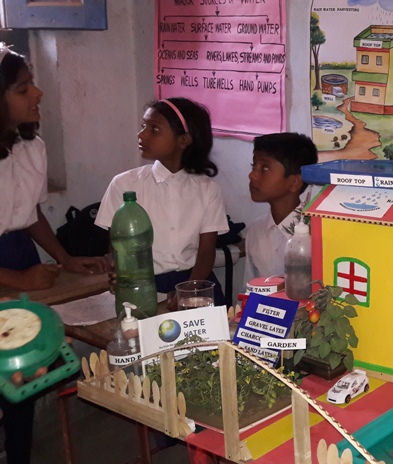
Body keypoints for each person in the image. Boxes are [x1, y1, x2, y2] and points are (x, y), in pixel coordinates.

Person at [0, 43, 107, 464]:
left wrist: (65, 259)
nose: (38, 93)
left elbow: (29, 214)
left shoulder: (31, 148)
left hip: (19, 253)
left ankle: (18, 454)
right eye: (23, 88)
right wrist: (17, 278)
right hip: (8, 269)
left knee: (23, 368)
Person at [95, 97, 229, 306]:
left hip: (196, 281)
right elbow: (117, 246)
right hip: (144, 286)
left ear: (183, 141)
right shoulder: (124, 184)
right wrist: (119, 274)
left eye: (154, 129)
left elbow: (206, 252)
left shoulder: (207, 189)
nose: (141, 134)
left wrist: (189, 289)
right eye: (143, 126)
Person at [244, 132, 318, 282]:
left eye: (265, 168)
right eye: (254, 165)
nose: (252, 175)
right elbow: (250, 287)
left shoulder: (316, 232)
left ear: (294, 182)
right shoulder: (256, 229)